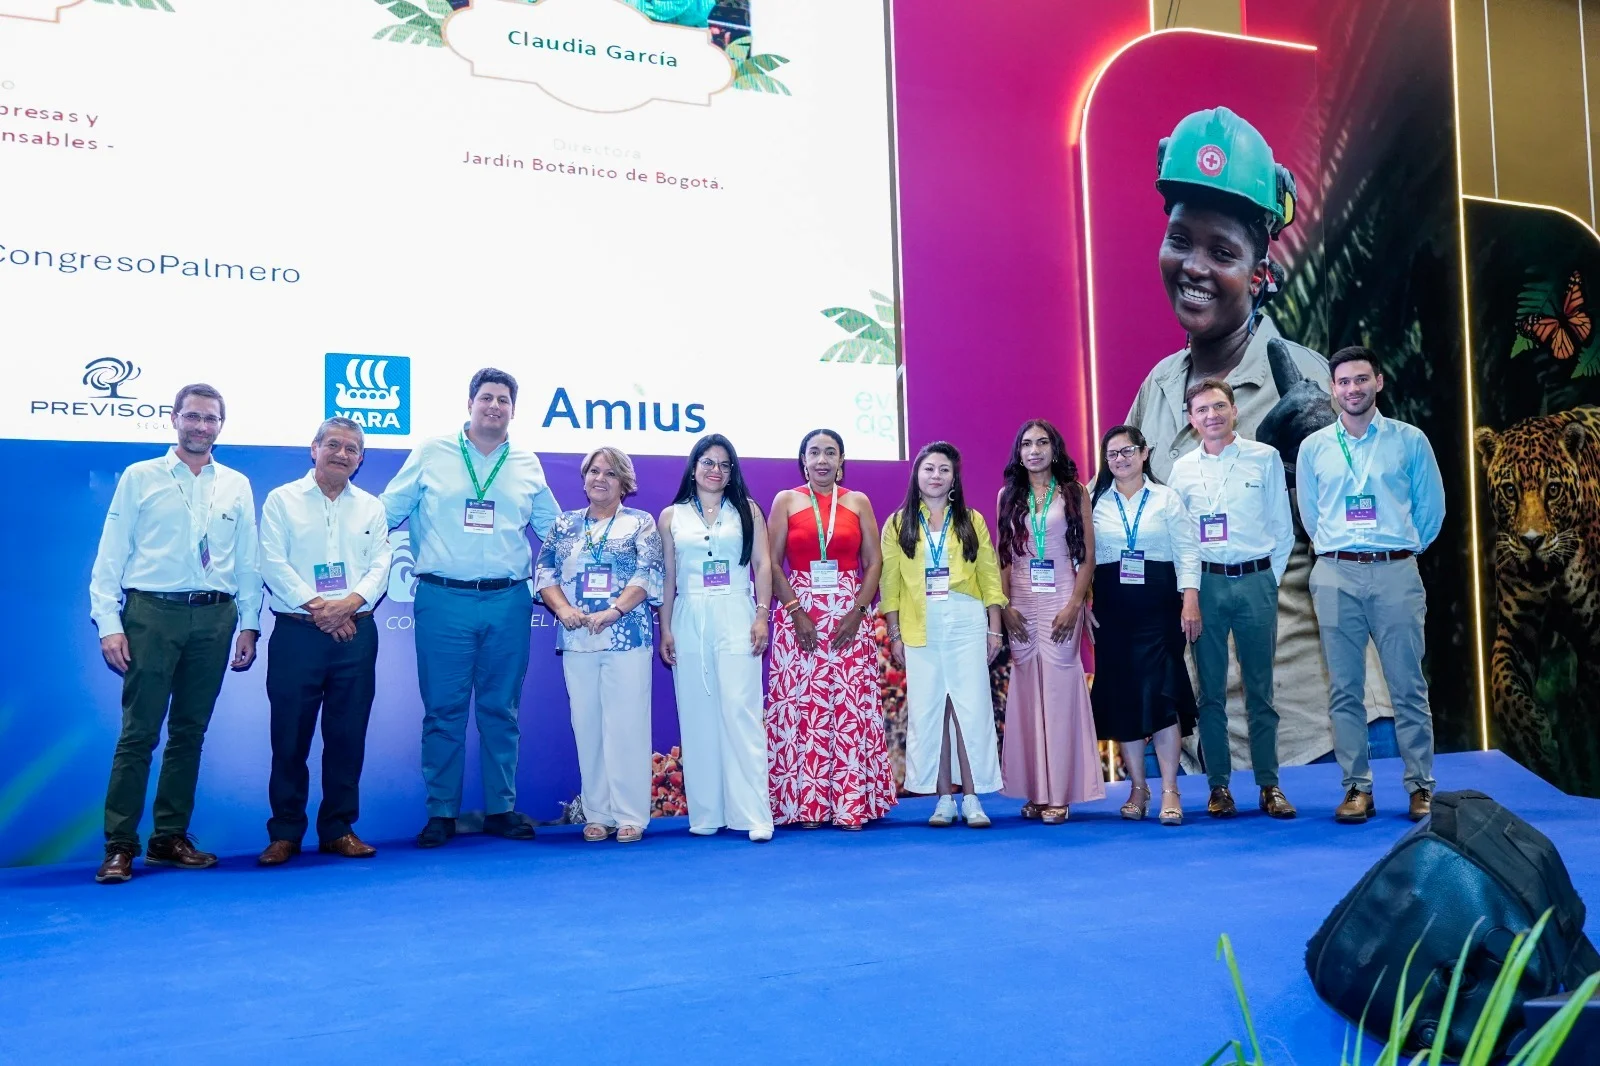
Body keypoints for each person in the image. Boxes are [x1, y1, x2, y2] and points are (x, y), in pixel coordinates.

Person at [1127, 106, 1399, 777]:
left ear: (1258, 272)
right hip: (1202, 740)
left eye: (1222, 252)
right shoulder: (1157, 390)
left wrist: (1321, 471)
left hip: (1319, 734)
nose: (1193, 266)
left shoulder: (1308, 382)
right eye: (1179, 239)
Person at [88, 383, 263, 884]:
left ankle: (169, 838)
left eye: (211, 419)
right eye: (193, 416)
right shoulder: (140, 478)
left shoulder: (236, 484)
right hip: (151, 615)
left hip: (215, 617)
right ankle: (120, 845)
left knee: (190, 734)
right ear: (174, 419)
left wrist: (249, 623)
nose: (201, 426)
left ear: (220, 426)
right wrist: (109, 623)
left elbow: (248, 562)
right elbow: (110, 554)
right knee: (138, 735)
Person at [380, 368, 561, 848]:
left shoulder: (526, 462)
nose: (495, 406)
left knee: (502, 710)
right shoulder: (430, 453)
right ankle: (441, 811)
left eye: (504, 399)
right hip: (444, 599)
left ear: (513, 409)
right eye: (486, 398)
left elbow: (556, 530)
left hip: (508, 601)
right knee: (443, 711)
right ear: (470, 403)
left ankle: (501, 808)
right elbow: (384, 512)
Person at [1296, 347, 1445, 823]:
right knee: (1344, 688)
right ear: (1333, 388)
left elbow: (1431, 509)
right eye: (1343, 381)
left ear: (1378, 382)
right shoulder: (1314, 447)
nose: (1352, 388)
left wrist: (1400, 550)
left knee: (1407, 685)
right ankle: (1357, 788)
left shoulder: (1410, 440)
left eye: (1361, 379)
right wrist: (1341, 551)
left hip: (1396, 571)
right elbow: (1311, 514)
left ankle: (1421, 785)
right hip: (1336, 573)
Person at [256, 417, 393, 865]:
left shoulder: (371, 507)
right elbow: (272, 563)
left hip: (357, 633)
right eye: (333, 444)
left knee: (347, 736)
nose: (342, 453)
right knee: (289, 738)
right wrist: (322, 610)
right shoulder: (282, 500)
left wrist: (347, 605)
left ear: (360, 458)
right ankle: (285, 834)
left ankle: (338, 828)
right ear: (313, 449)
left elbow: (380, 565)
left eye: (352, 449)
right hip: (298, 633)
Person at [1167, 381, 1297, 819]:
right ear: (1191, 419)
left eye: (1219, 406)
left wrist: (1268, 582)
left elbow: (1283, 528)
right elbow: (1180, 539)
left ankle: (1269, 785)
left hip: (1256, 580)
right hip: (1205, 587)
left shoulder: (1264, 458)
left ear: (1234, 411)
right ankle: (1218, 786)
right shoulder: (1182, 470)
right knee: (1211, 694)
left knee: (1261, 690)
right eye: (1201, 409)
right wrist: (1190, 590)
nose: (1211, 415)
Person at [765, 429, 896, 830]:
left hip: (847, 613)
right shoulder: (785, 500)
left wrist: (859, 611)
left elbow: (873, 563)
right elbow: (770, 563)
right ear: (802, 459)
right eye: (814, 452)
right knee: (804, 709)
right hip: (799, 611)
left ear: (842, 460)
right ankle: (805, 806)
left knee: (849, 708)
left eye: (830, 452)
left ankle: (850, 804)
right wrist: (795, 611)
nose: (822, 460)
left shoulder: (858, 502)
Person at [535, 447, 664, 844]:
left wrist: (613, 611)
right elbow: (544, 572)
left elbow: (649, 573)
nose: (599, 479)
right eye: (593, 471)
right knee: (587, 725)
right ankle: (597, 813)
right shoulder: (564, 525)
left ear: (624, 482)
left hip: (626, 636)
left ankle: (629, 814)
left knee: (626, 725)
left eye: (610, 473)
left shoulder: (640, 523)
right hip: (577, 638)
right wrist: (563, 609)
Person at [881, 442, 1006, 828]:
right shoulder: (898, 523)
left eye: (944, 470)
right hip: (920, 623)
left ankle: (972, 797)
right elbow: (890, 583)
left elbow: (990, 576)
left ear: (954, 478)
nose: (936, 475)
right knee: (929, 710)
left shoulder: (972, 520)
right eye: (929, 468)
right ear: (916, 475)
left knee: (970, 709)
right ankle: (943, 799)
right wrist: (895, 632)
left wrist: (995, 629)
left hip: (966, 620)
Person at [659, 434, 775, 842]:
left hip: (736, 611)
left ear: (731, 473)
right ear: (694, 468)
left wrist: (763, 615)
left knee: (741, 711)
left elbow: (762, 566)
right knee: (696, 713)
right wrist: (666, 627)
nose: (715, 470)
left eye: (724, 464)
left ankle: (753, 815)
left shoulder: (749, 511)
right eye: (708, 462)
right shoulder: (672, 516)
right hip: (690, 614)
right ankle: (707, 812)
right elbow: (669, 578)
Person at [1089, 425, 1201, 827]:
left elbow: (1188, 550)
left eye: (1128, 451)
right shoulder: (1094, 501)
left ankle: (1170, 788)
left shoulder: (1166, 498)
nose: (1120, 459)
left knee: (1163, 695)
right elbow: (1079, 557)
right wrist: (1084, 601)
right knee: (1126, 697)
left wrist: (1190, 599)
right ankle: (1139, 787)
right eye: (1112, 453)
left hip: (1159, 607)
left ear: (1144, 453)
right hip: (1112, 610)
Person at [995, 420, 1103, 824]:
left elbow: (1088, 557)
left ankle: (1059, 793)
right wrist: (1004, 607)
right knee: (1026, 695)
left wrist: (1076, 604)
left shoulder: (1074, 493)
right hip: (1021, 603)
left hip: (1062, 600)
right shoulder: (1008, 495)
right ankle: (1036, 790)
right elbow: (1003, 557)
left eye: (1042, 443)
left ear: (1054, 449)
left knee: (1059, 696)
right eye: (1026, 443)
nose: (1034, 450)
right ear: (1018, 452)